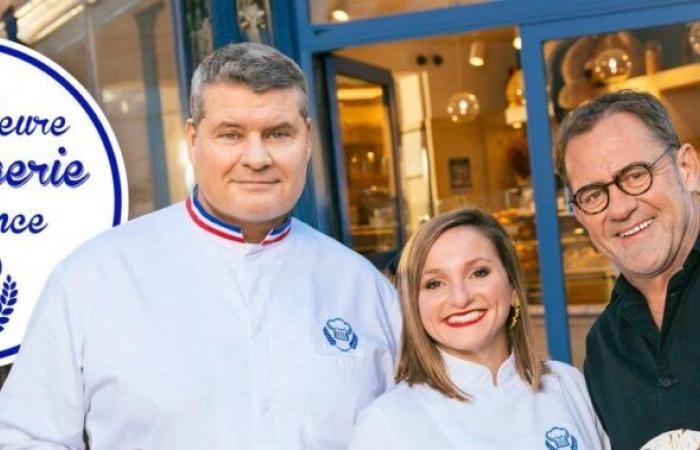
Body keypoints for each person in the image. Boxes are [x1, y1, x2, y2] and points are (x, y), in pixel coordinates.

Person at [0, 42, 400, 449]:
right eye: (231, 134)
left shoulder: (365, 291)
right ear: (193, 140)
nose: (257, 157)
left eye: (279, 134)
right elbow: (27, 436)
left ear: (308, 140)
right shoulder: (93, 277)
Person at [349, 208, 609, 449]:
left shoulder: (567, 384)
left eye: (479, 273)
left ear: (513, 288)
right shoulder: (386, 423)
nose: (460, 298)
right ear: (413, 306)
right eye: (434, 284)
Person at [553, 89, 700, 450]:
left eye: (635, 175)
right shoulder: (605, 346)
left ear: (688, 169)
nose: (618, 209)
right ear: (579, 215)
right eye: (593, 195)